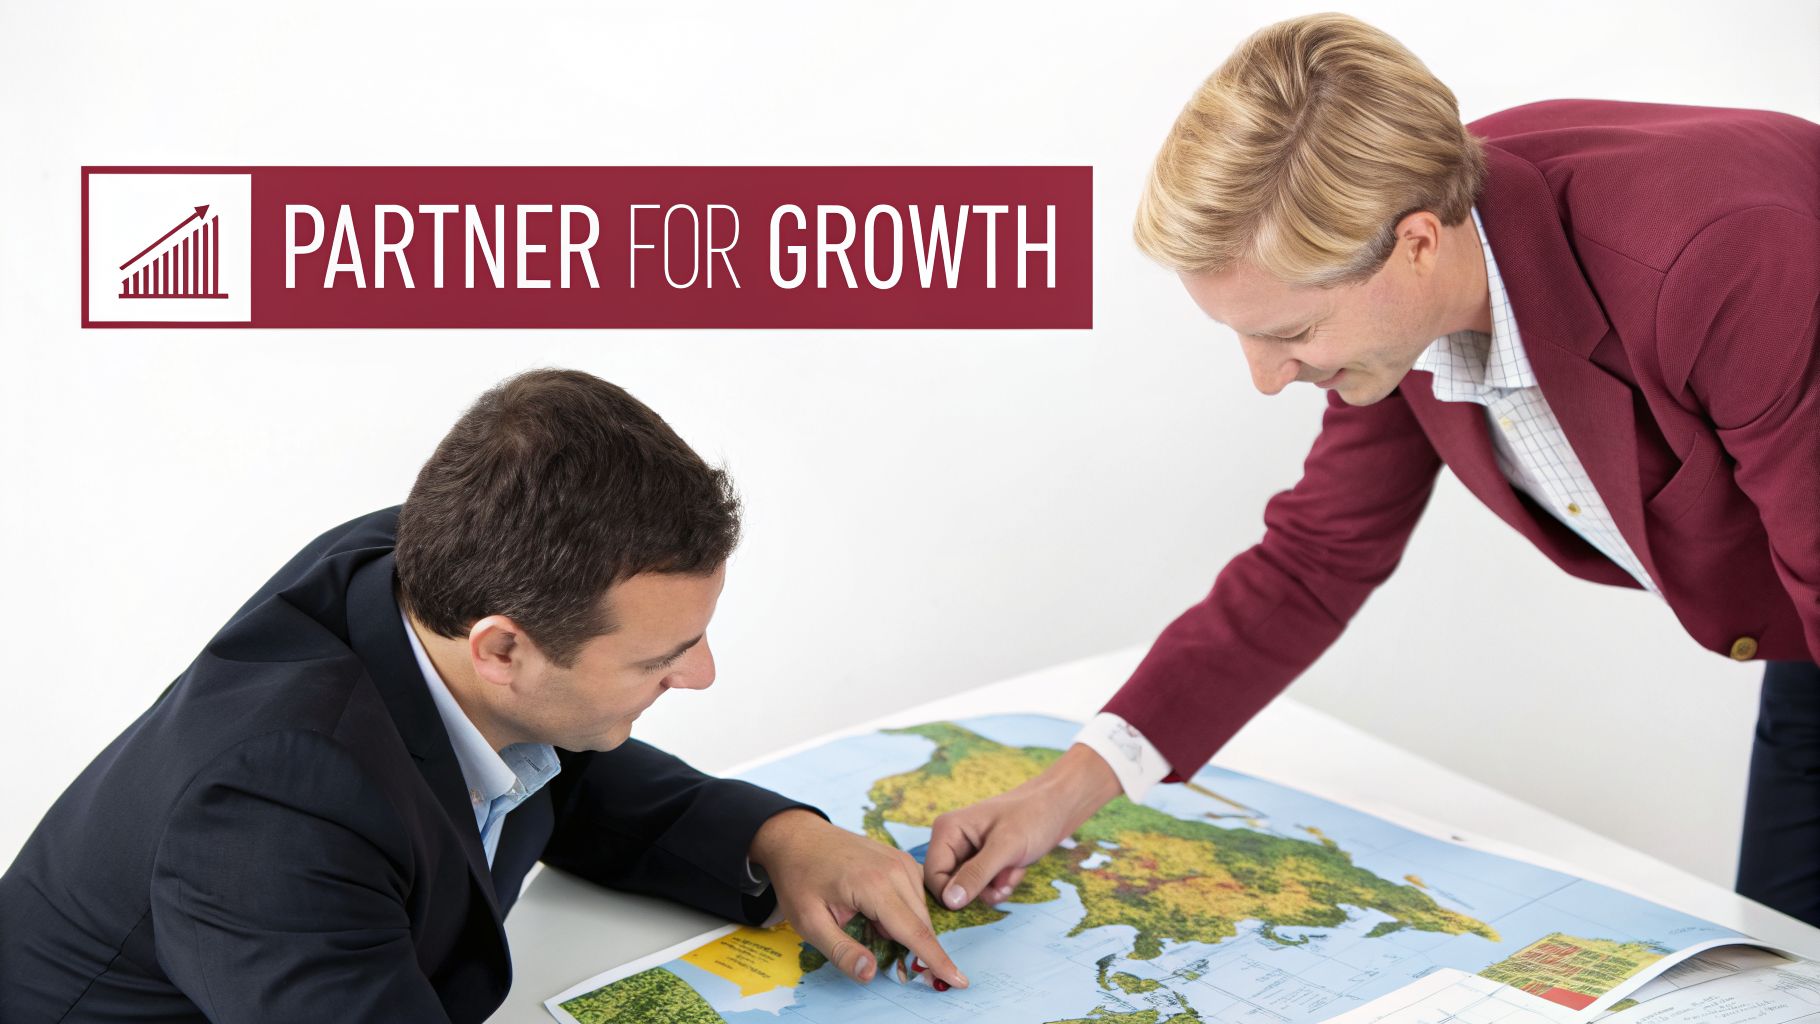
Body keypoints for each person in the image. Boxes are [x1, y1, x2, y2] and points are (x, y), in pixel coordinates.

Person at [924, 14, 1820, 924]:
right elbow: (1316, 559)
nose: (1267, 379)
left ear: (1418, 245)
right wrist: (1062, 793)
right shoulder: (1401, 298)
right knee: (1790, 965)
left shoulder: (1716, 265)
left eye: (1291, 334)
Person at [0, 369, 965, 1023]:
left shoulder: (432, 570)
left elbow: (560, 762)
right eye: (659, 657)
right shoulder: (270, 817)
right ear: (504, 647)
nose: (703, 674)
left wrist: (781, 840)